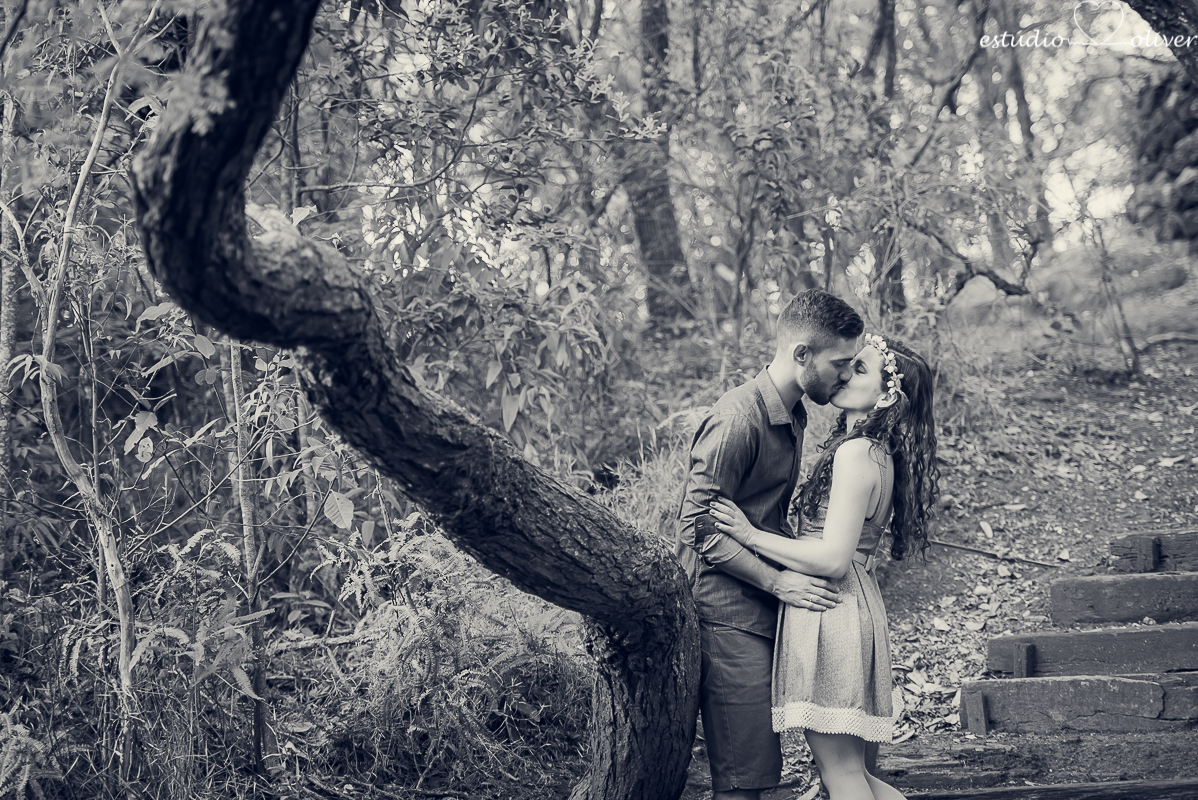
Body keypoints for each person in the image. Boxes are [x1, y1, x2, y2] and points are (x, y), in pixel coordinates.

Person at [710, 334, 939, 800]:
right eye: (848, 364)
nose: (844, 374)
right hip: (851, 606)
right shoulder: (873, 450)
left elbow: (834, 558)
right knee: (857, 774)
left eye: (860, 370)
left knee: (842, 776)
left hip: (831, 609)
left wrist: (750, 536)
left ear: (887, 395)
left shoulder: (858, 453)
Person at [676, 289, 864, 800]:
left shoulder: (795, 413)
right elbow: (696, 526)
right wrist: (777, 580)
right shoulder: (739, 418)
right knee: (744, 781)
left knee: (761, 773)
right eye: (840, 364)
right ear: (801, 354)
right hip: (725, 613)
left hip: (763, 607)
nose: (846, 376)